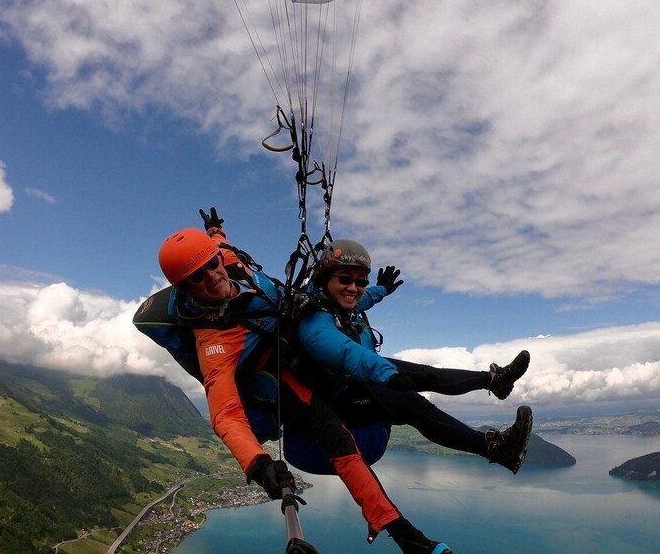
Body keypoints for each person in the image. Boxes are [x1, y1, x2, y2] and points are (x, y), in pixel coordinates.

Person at [135, 211, 451, 554]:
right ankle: (407, 537)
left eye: (212, 265)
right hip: (284, 373)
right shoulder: (213, 343)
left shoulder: (226, 259)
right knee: (336, 436)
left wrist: (215, 230)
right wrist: (258, 464)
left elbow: (219, 245)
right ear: (183, 287)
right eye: (198, 277)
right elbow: (225, 413)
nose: (213, 277)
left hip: (299, 335)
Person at [295, 239, 534, 476]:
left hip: (354, 382)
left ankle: (494, 380)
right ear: (325, 278)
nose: (353, 288)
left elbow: (362, 299)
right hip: (333, 406)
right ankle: (496, 449)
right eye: (345, 279)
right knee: (413, 405)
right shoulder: (314, 325)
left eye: (361, 281)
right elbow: (350, 353)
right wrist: (389, 376)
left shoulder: (335, 303)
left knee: (424, 372)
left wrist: (382, 289)